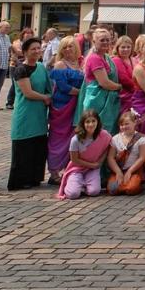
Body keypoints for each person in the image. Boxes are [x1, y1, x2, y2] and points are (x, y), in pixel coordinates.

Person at [7, 36, 52, 190]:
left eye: (39, 48)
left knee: (38, 145)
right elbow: (28, 92)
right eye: (33, 49)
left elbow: (48, 87)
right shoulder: (21, 69)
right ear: (25, 52)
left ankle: (34, 177)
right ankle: (21, 179)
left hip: (39, 114)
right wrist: (45, 98)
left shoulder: (41, 67)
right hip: (25, 113)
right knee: (24, 146)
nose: (37, 51)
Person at [48, 36, 84, 184]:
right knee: (58, 140)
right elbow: (63, 87)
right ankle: (54, 172)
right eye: (65, 47)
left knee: (73, 138)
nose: (68, 49)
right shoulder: (60, 65)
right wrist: (82, 92)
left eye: (71, 46)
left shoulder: (81, 63)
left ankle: (69, 169)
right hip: (62, 107)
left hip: (76, 106)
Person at [77, 28, 123, 135]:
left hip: (107, 102)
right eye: (102, 40)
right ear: (94, 42)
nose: (106, 42)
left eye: (108, 40)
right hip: (97, 103)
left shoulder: (106, 57)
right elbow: (104, 83)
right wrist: (120, 87)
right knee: (96, 133)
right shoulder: (95, 58)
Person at [58, 109, 111, 199]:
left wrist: (99, 162)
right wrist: (92, 165)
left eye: (93, 121)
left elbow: (108, 147)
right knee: (73, 194)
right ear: (83, 124)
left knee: (94, 191)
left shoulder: (104, 135)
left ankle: (82, 185)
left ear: (98, 122)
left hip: (92, 169)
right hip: (76, 168)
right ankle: (73, 183)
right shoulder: (75, 139)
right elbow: (74, 160)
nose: (91, 124)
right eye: (87, 122)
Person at [106, 111, 145, 195]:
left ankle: (128, 185)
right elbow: (110, 157)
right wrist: (118, 172)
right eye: (121, 125)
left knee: (132, 189)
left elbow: (142, 157)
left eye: (127, 124)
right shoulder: (115, 139)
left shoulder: (141, 139)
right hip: (119, 170)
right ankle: (123, 185)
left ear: (134, 123)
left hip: (134, 171)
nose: (124, 127)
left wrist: (130, 171)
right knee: (112, 189)